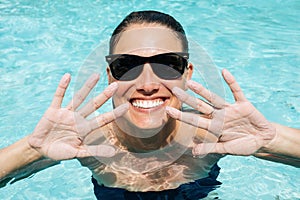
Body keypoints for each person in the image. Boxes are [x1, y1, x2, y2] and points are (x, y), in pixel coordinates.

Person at [0, 10, 299, 199]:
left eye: (168, 65)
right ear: (110, 76)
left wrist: (270, 141)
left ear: (187, 74)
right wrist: (31, 151)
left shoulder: (213, 134)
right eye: (127, 65)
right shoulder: (86, 140)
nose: (147, 84)